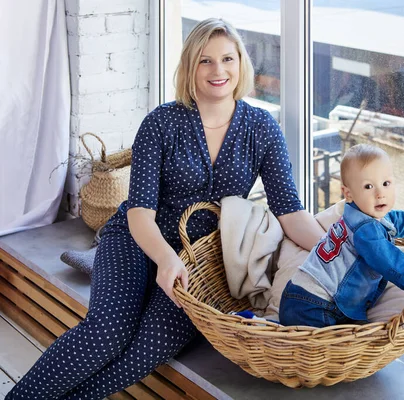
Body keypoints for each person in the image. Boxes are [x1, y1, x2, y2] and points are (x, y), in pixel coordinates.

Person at [7, 18, 324, 399]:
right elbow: (140, 211)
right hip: (136, 239)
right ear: (190, 66)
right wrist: (164, 259)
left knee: (150, 347)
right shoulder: (161, 123)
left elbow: (290, 211)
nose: (218, 70)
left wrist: (340, 253)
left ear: (241, 63)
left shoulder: (261, 128)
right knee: (107, 331)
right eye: (205, 60)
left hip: (200, 262)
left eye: (227, 58)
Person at [279, 144, 404, 328]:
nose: (380, 193)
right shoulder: (365, 232)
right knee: (343, 346)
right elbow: (393, 264)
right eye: (368, 186)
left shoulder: (361, 214)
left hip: (299, 296)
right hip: (314, 305)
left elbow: (393, 220)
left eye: (386, 184)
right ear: (348, 194)